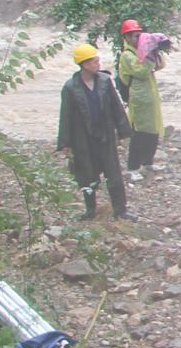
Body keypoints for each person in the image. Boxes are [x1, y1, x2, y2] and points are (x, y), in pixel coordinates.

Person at [56, 43, 131, 221]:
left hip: (105, 135)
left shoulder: (105, 81)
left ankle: (120, 210)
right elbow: (65, 116)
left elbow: (116, 107)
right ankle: (90, 210)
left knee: (114, 174)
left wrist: (123, 132)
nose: (98, 64)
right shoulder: (70, 87)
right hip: (82, 138)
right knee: (86, 174)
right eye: (94, 61)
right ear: (84, 64)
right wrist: (65, 143)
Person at [121, 30, 171, 180]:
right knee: (140, 133)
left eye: (139, 35)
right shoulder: (127, 56)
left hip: (150, 97)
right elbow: (141, 71)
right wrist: (148, 56)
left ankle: (148, 162)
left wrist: (154, 51)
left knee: (153, 132)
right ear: (127, 37)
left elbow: (160, 65)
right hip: (139, 100)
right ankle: (133, 167)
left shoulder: (141, 52)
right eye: (135, 36)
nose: (138, 39)